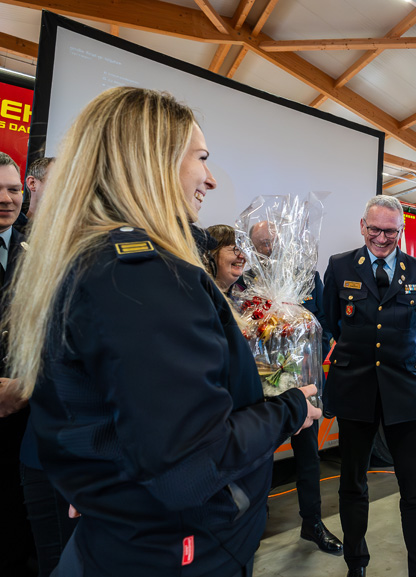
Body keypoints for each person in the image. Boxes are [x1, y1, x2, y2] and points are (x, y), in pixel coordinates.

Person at [3, 86, 321, 577]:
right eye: (202, 158)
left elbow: (109, 414)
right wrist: (290, 408)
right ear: (152, 161)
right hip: (178, 549)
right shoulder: (144, 275)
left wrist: (105, 482)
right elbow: (188, 468)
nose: (210, 179)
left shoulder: (92, 258)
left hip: (128, 536)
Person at [322, 195, 416, 577]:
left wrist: (395, 355)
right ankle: (356, 564)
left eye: (391, 231)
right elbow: (333, 322)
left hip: (405, 390)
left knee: (415, 489)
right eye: (375, 229)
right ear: (362, 226)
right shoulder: (340, 266)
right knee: (353, 484)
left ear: (401, 230)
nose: (382, 238)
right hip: (355, 389)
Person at [247, 219, 342, 555]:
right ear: (252, 247)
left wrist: (307, 356)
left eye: (274, 241)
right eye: (262, 243)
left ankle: (312, 523)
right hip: (261, 387)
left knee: (308, 456)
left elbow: (324, 323)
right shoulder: (246, 279)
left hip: (302, 382)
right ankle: (254, 525)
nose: (270, 248)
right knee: (257, 457)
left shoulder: (307, 276)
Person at [0, 151, 37, 577]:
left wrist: (26, 385)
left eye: (14, 189)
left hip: (22, 408)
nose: (7, 199)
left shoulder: (38, 249)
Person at [205, 224, 246, 295]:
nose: (242, 256)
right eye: (236, 250)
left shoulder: (243, 293)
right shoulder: (196, 294)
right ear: (212, 254)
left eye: (243, 250)